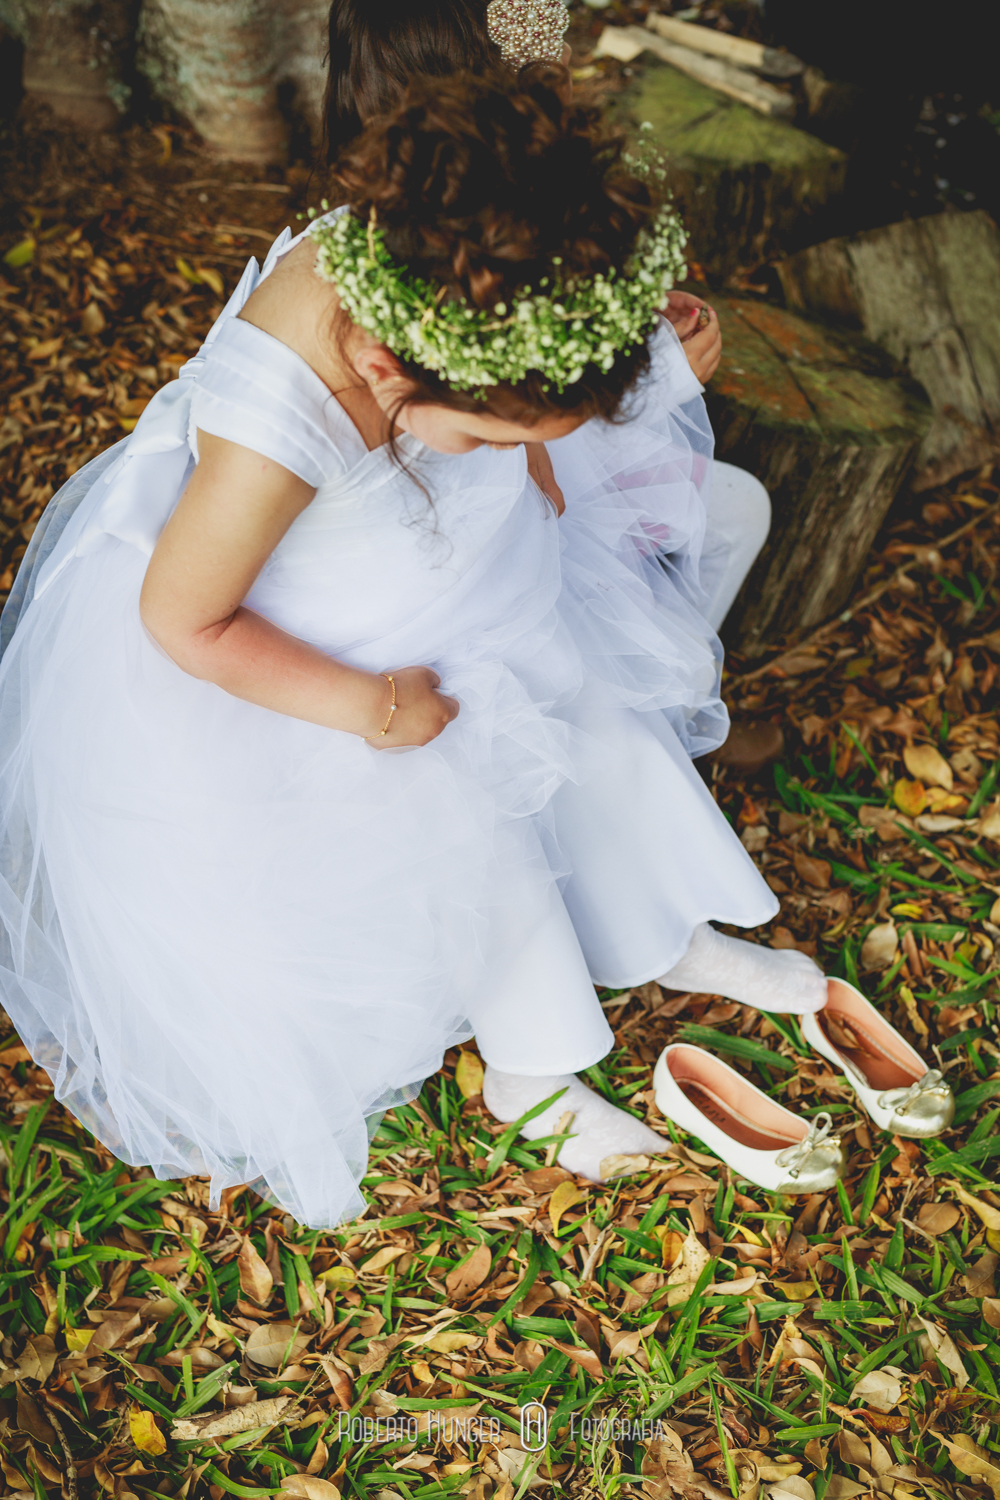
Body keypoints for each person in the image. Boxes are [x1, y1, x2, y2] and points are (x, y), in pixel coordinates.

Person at [0, 74, 827, 1228]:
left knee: (580, 693)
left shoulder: (450, 255)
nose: (506, 447)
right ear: (392, 375)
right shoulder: (283, 422)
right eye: (493, 433)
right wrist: (368, 706)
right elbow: (183, 617)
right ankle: (535, 1065)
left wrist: (560, 419)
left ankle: (654, 926)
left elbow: (532, 60)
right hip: (334, 656)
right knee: (464, 793)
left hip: (464, 571)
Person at [323, 0, 778, 771]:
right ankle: (653, 721)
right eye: (534, 84)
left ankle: (675, 695)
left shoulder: (472, 198)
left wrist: (626, 316)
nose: (557, 86)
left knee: (730, 512)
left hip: (520, 451)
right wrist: (655, 377)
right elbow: (498, 437)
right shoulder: (405, 269)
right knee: (716, 519)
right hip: (485, 502)